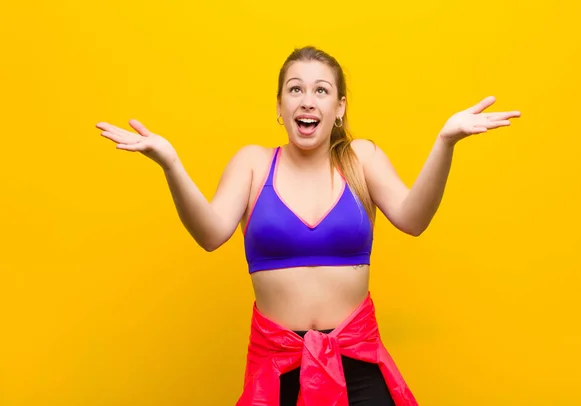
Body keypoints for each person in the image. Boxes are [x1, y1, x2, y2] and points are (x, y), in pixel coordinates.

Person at [96, 46, 520, 405]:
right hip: (277, 368)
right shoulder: (252, 163)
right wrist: (170, 162)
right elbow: (210, 234)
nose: (307, 100)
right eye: (295, 89)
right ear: (279, 107)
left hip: (357, 363)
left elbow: (413, 219)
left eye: (321, 90)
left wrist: (444, 142)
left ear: (339, 108)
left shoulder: (361, 159)